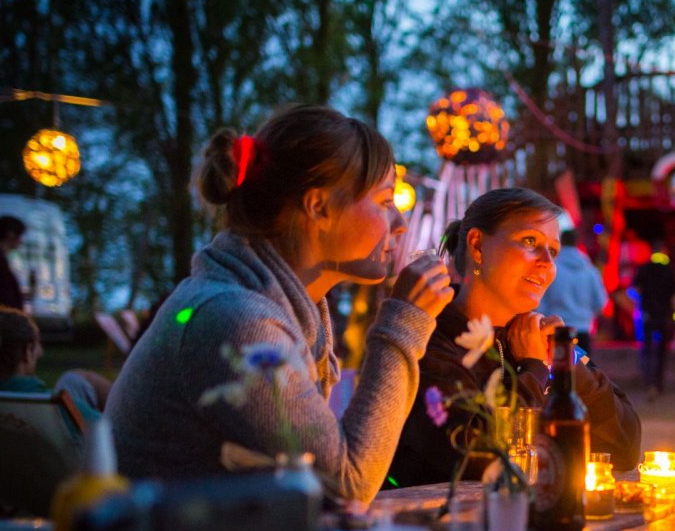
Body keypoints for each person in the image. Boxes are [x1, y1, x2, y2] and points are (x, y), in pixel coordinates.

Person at [106, 105, 453, 507]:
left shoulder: (269, 304)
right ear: (318, 207)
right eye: (385, 199)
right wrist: (404, 323)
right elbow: (348, 485)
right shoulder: (236, 322)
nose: (401, 222)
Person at [389, 188, 642, 485]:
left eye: (554, 251)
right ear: (478, 246)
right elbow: (476, 458)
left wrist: (567, 366)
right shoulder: (428, 339)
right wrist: (533, 368)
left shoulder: (538, 337)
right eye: (530, 241)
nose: (547, 262)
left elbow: (624, 449)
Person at [0, 306, 107, 425]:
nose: (41, 353)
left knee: (74, 379)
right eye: (38, 345)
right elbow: (108, 432)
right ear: (27, 352)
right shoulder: (55, 407)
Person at [535, 229, 607, 359]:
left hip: (557, 331)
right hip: (583, 330)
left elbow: (541, 301)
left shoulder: (552, 269)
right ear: (577, 242)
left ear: (561, 241)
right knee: (583, 369)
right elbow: (601, 302)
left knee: (559, 369)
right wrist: (586, 316)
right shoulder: (590, 271)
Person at [632, 240, 675, 398]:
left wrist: (637, 306)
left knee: (646, 350)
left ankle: (649, 383)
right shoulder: (669, 270)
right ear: (664, 251)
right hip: (664, 316)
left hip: (647, 315)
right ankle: (659, 384)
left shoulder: (644, 268)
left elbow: (634, 291)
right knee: (661, 352)